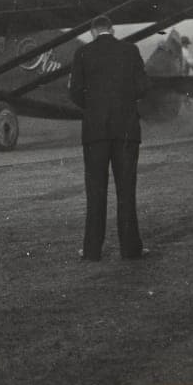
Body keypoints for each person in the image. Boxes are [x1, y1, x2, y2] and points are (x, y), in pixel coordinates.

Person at [67, 15, 150, 262]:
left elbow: (74, 93)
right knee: (126, 192)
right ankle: (130, 250)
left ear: (93, 32)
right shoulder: (130, 50)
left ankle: (92, 251)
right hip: (126, 130)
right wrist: (124, 100)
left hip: (95, 133)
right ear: (112, 30)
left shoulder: (82, 54)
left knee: (95, 192)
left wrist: (93, 108)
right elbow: (144, 87)